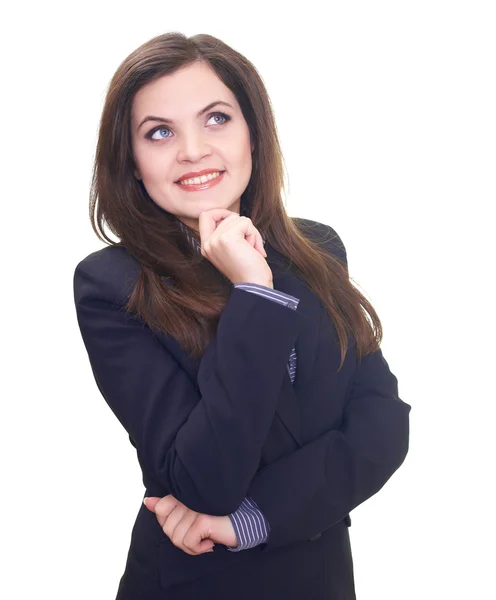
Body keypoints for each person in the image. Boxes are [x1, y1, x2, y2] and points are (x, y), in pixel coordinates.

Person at [73, 31, 411, 600]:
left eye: (216, 119)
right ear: (131, 162)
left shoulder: (318, 248)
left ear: (253, 131)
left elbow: (383, 425)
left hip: (321, 581)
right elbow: (205, 478)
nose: (193, 151)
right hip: (197, 582)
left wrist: (248, 517)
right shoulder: (113, 286)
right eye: (160, 132)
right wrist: (254, 291)